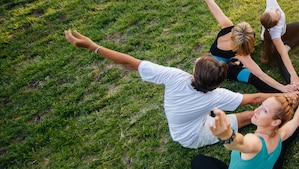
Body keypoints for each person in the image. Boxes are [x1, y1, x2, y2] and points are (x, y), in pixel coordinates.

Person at [64, 29, 279, 149]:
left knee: (247, 113)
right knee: (253, 115)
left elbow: (131, 62)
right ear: (219, 85)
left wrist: (94, 46)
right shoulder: (218, 96)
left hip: (188, 122)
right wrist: (287, 95)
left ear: (195, 70)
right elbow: (255, 98)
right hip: (192, 136)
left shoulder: (175, 77)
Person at [178, 0, 290, 93]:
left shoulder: (230, 32)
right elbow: (261, 74)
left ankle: (236, 64)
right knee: (252, 77)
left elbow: (208, 0)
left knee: (251, 75)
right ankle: (236, 65)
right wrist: (283, 88)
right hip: (219, 69)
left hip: (229, 61)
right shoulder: (236, 44)